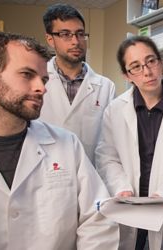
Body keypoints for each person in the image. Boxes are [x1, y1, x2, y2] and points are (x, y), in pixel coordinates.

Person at [0, 32, 119, 249]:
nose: (42, 88)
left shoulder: (66, 145)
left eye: (44, 79)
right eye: (27, 74)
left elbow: (97, 220)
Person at [95, 36, 163, 250]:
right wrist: (121, 188)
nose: (147, 71)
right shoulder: (115, 109)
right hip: (129, 199)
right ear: (126, 75)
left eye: (151, 61)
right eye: (136, 67)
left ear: (161, 62)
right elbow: (107, 156)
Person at [39, 3, 115, 164]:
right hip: (46, 174)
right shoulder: (37, 80)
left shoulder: (106, 87)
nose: (76, 41)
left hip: (91, 177)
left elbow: (110, 144)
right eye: (65, 34)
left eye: (80, 34)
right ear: (50, 39)